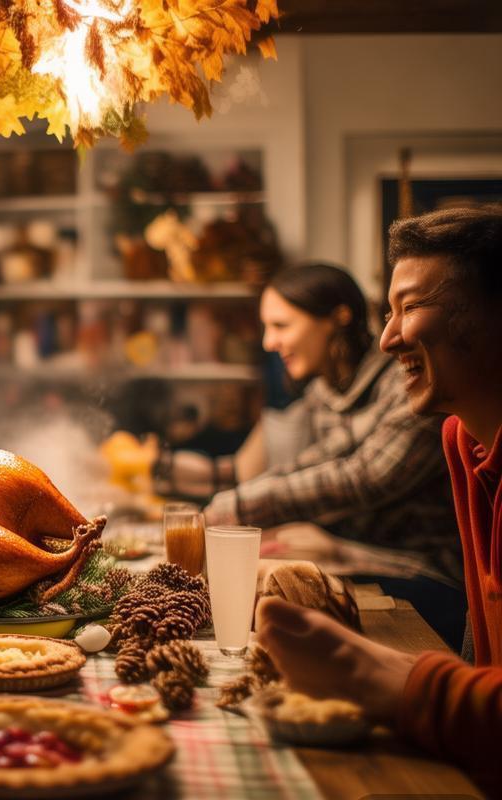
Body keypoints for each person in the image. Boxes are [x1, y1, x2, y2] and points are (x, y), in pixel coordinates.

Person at [257, 204, 502, 794]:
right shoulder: (463, 436)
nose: (389, 339)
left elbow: (359, 479)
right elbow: (481, 647)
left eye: (411, 308)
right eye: (387, 313)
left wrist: (370, 672)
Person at [164, 263, 463, 645]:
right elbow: (314, 464)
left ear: (338, 318)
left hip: (429, 582)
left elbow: (361, 479)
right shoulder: (328, 393)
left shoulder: (409, 382)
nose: (268, 342)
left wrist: (232, 509)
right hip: (364, 565)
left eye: (281, 326)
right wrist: (222, 502)